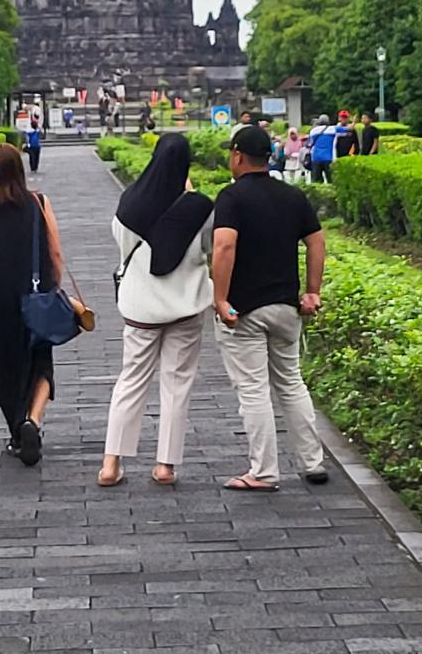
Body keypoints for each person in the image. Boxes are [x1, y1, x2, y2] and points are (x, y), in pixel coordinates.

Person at [210, 125, 327, 491]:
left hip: (245, 310)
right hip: (287, 307)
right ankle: (313, 463)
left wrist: (220, 298)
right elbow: (317, 243)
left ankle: (263, 471)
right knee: (291, 383)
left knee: (254, 390)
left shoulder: (231, 197)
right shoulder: (293, 196)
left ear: (238, 156)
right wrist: (312, 292)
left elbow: (224, 246)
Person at [97, 133, 214, 488]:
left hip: (141, 309)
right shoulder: (201, 208)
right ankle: (165, 465)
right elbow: (209, 249)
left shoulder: (128, 205)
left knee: (131, 380)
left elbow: (123, 247)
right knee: (177, 384)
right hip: (185, 307)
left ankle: (110, 463)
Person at [0, 144, 64, 465]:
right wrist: (55, 286)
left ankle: (15, 430)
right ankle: (32, 422)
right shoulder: (39, 202)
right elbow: (54, 252)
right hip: (35, 295)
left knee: (2, 365)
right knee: (40, 360)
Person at [305, 115, 336, 183]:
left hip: (316, 158)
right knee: (331, 180)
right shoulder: (332, 129)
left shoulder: (313, 131)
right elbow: (347, 130)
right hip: (328, 158)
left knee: (316, 181)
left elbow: (308, 144)